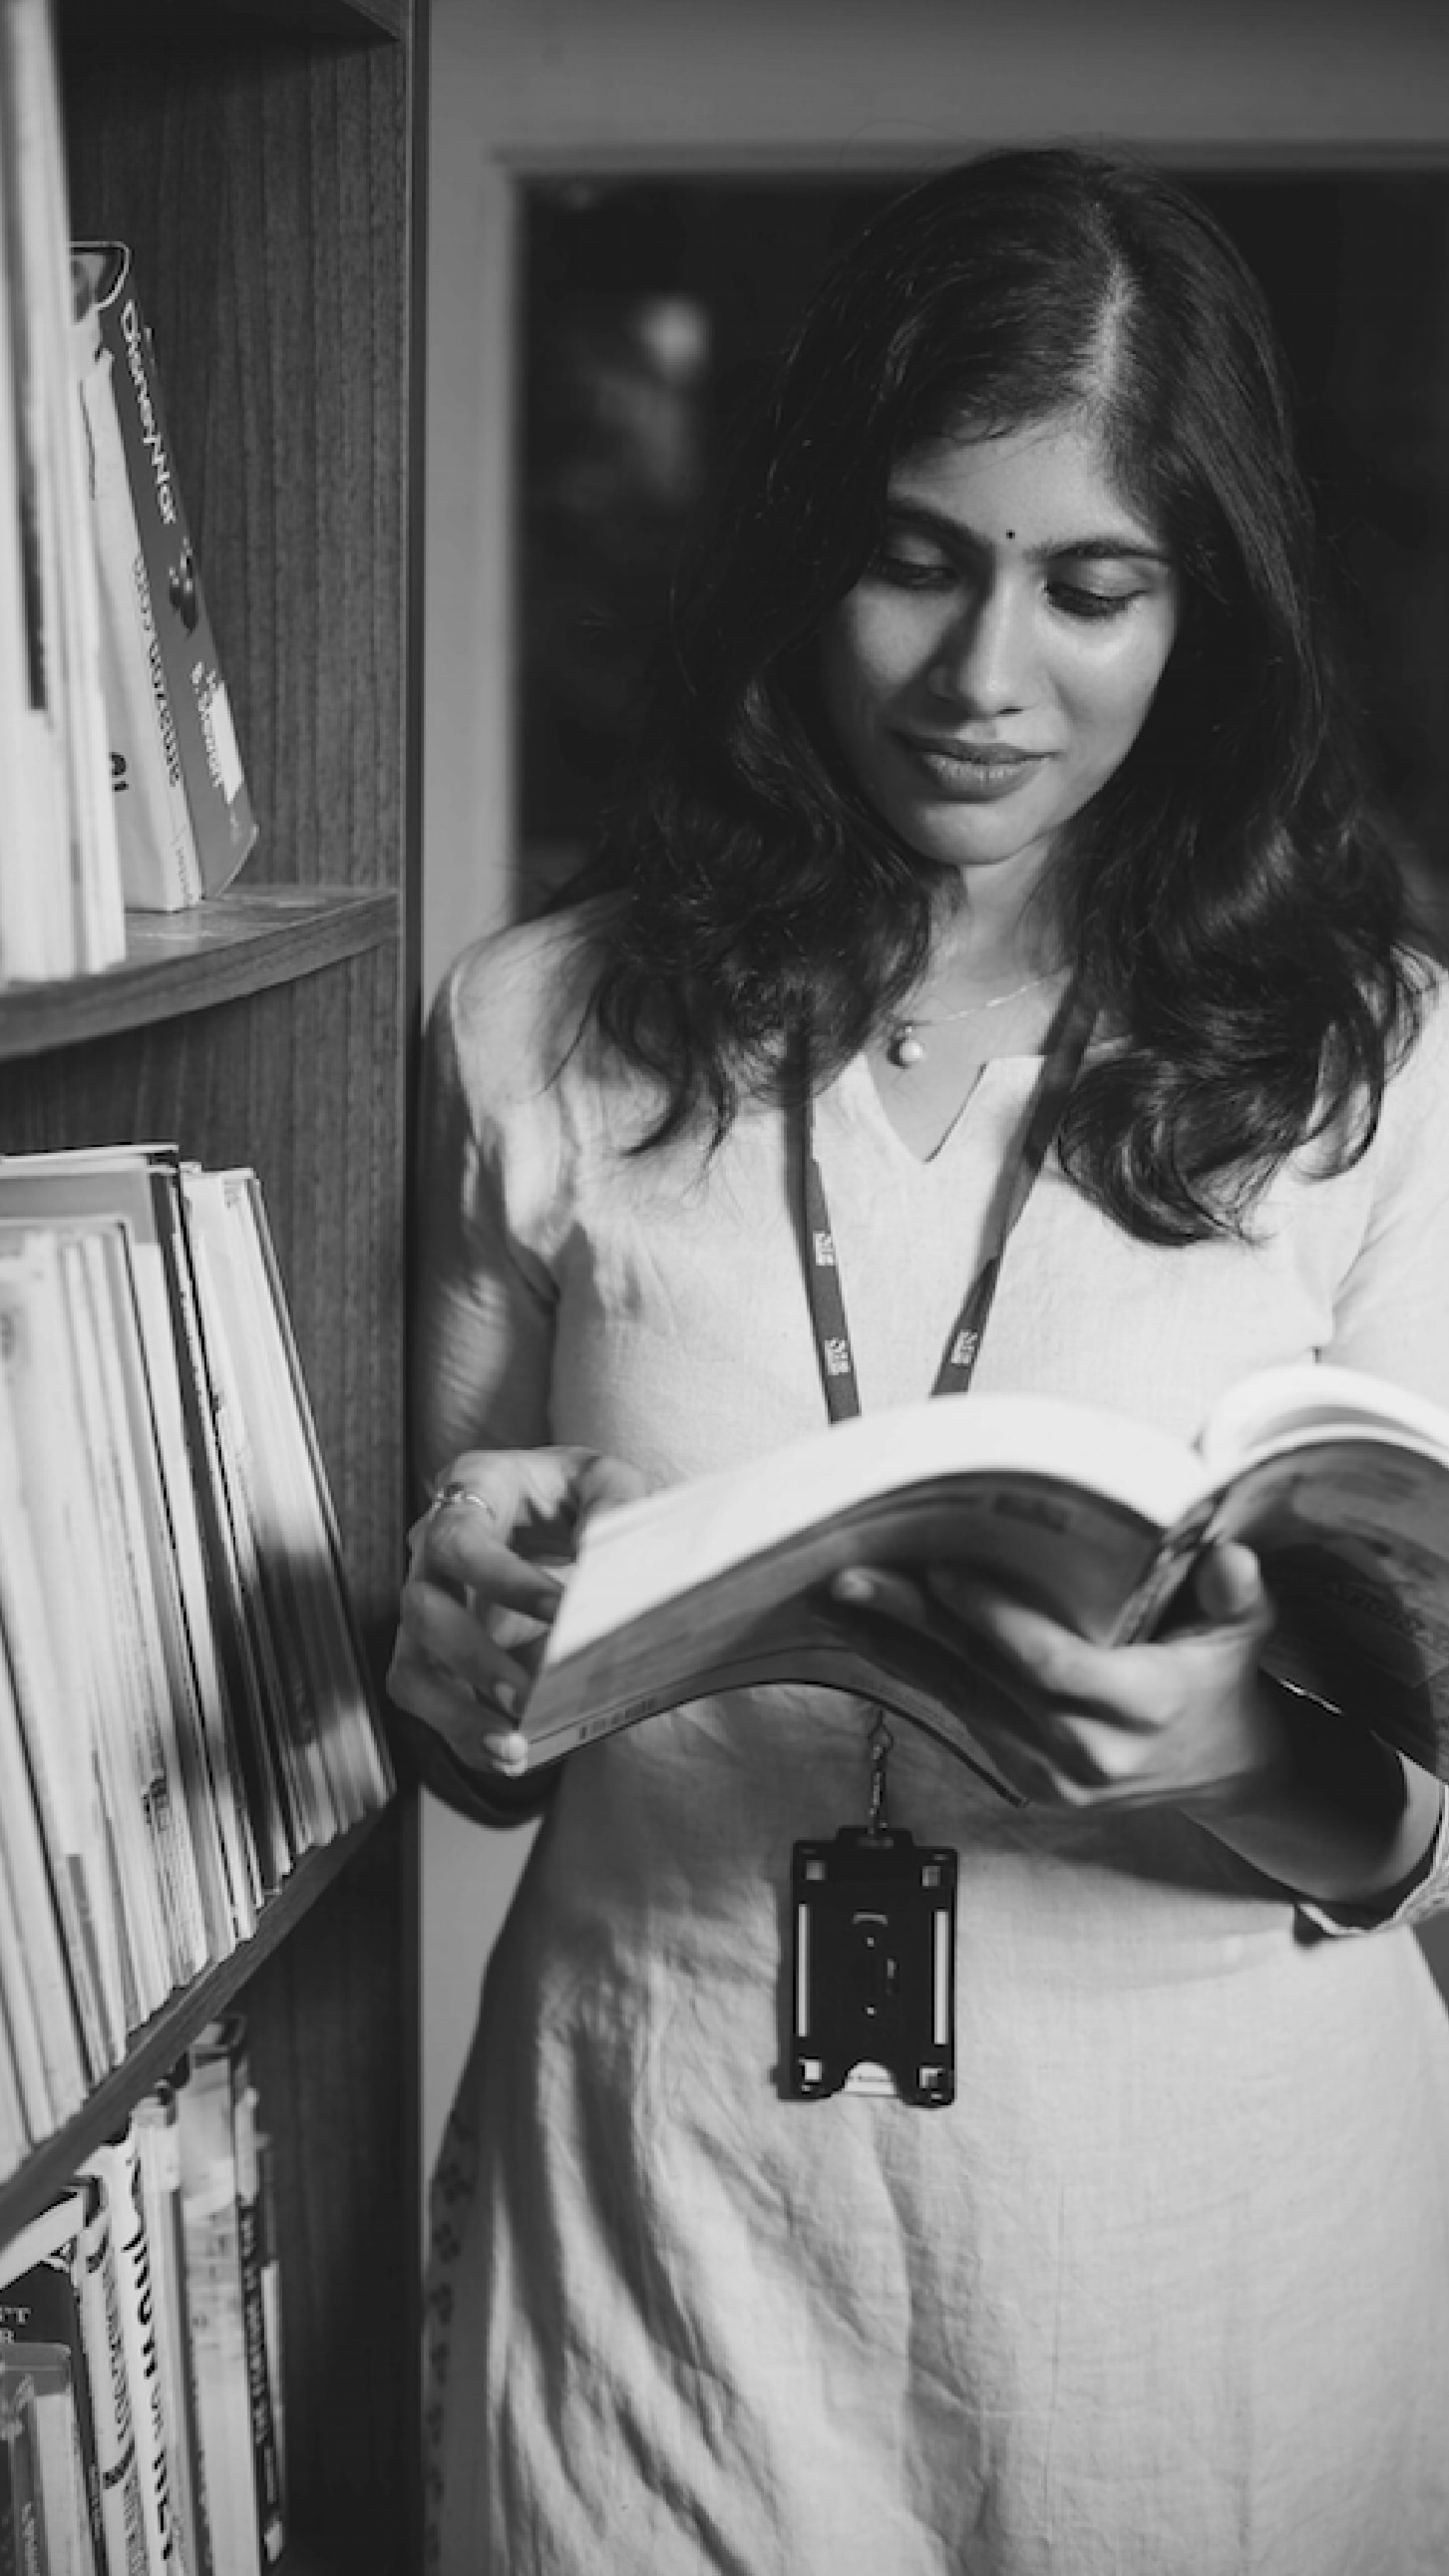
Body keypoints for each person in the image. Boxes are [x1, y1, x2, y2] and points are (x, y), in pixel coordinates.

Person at [390, 145, 1449, 2576]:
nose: (986, 681)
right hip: (670, 2211)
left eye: (1092, 587)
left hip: (1212, 2276)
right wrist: (446, 1668)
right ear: (801, 555)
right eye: (915, 557)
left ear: (1212, 611)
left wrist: (1243, 1743)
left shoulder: (1376, 1062)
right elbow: (455, 1736)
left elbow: (1409, 1824)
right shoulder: (538, 1021)